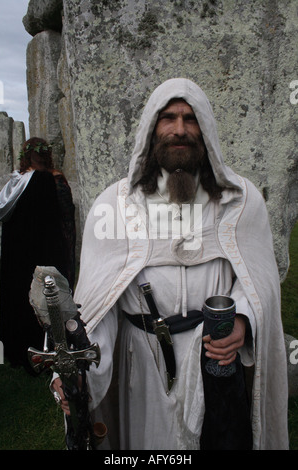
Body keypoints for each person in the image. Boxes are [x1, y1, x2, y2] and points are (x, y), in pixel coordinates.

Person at [52, 78, 288, 450]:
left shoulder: (241, 201)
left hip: (213, 356)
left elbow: (259, 279)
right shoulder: (114, 206)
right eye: (168, 118)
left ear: (205, 129)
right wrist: (80, 374)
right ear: (151, 128)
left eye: (190, 119)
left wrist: (242, 317)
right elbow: (98, 309)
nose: (180, 130)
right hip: (141, 368)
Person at [0, 137, 76, 373]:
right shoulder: (55, 180)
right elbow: (66, 220)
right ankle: (53, 349)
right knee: (48, 298)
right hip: (48, 255)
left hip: (19, 260)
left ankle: (21, 351)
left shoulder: (16, 182)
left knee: (22, 299)